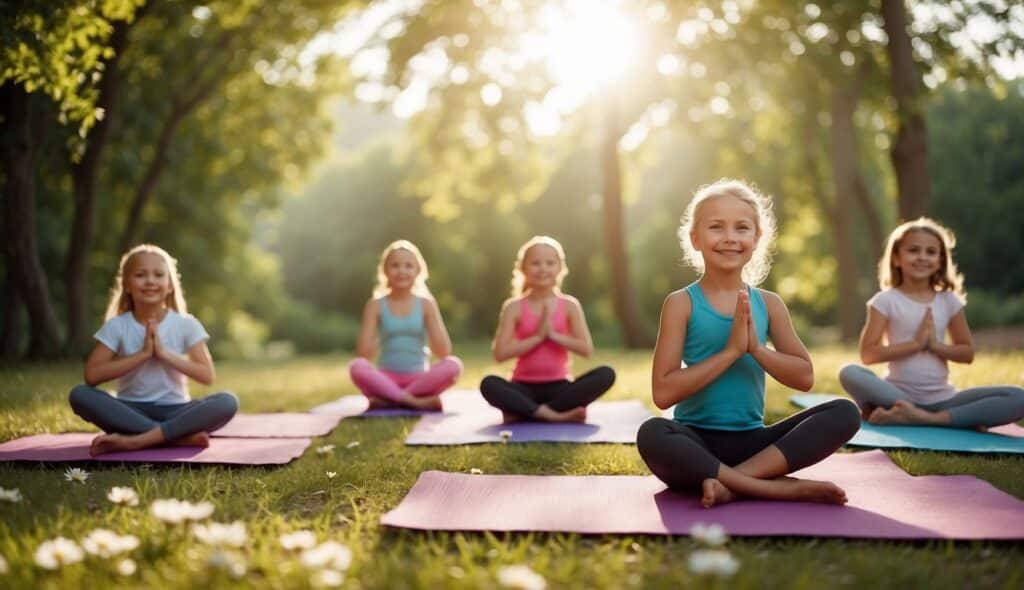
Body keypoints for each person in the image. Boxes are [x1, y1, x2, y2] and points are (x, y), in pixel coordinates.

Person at [637, 179, 860, 508]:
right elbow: (663, 393)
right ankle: (773, 488)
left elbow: (804, 377)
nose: (730, 237)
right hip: (694, 442)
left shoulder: (769, 304)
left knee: (845, 412)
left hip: (754, 444)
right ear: (695, 239)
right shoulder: (681, 303)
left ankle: (731, 484)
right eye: (716, 227)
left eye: (742, 228)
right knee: (652, 433)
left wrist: (756, 349)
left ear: (756, 239)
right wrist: (729, 353)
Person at [839, 217, 1024, 429]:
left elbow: (967, 353)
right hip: (897, 394)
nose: (922, 257)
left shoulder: (949, 300)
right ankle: (942, 417)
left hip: (944, 398)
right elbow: (868, 354)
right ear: (897, 258)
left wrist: (934, 345)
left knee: (1018, 397)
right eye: (913, 250)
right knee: (849, 372)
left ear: (940, 261)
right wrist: (916, 345)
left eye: (930, 252)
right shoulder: (885, 301)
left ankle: (923, 418)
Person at [69, 244, 238, 456]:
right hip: (130, 410)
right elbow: (92, 376)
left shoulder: (187, 324)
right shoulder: (117, 325)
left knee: (227, 401)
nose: (150, 281)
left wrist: (164, 354)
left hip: (176, 411)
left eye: (158, 275)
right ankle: (176, 439)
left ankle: (135, 441)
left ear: (169, 285)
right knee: (80, 395)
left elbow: (206, 376)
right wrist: (142, 355)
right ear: (127, 285)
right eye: (140, 275)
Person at [479, 236, 615, 423]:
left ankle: (526, 412)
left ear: (560, 268)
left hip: (559, 388)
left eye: (550, 263)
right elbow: (500, 354)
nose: (543, 269)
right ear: (523, 268)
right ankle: (552, 415)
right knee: (489, 384)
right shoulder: (514, 307)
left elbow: (586, 349)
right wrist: (537, 337)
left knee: (606, 374)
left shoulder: (569, 305)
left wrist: (553, 336)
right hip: (522, 386)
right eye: (536, 263)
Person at [349, 240, 462, 411]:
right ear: (385, 271)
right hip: (385, 378)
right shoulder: (375, 305)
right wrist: (380, 334)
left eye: (409, 266)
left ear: (418, 271)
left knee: (453, 365)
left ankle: (389, 398)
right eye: (395, 265)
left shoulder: (426, 304)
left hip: (419, 379)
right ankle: (413, 401)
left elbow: (444, 352)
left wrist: (432, 324)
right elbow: (363, 354)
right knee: (357, 366)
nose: (402, 271)